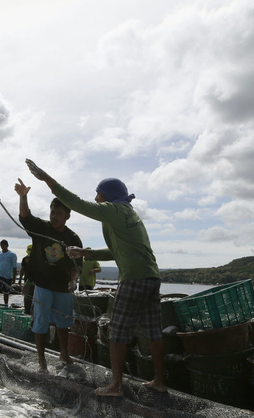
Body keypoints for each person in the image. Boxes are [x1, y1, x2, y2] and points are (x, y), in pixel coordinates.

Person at [25, 159, 165, 397]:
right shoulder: (130, 214)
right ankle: (160, 381)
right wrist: (85, 253)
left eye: (98, 194)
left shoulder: (112, 210)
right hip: (151, 277)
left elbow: (78, 204)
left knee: (117, 333)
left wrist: (47, 180)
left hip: (132, 279)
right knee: (153, 332)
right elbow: (116, 252)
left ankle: (115, 387)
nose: (97, 199)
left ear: (106, 195)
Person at [14, 179, 82, 372]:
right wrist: (23, 197)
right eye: (52, 212)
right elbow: (25, 217)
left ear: (67, 216)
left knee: (63, 323)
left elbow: (77, 266)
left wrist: (73, 281)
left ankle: (64, 354)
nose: (54, 216)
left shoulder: (73, 238)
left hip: (62, 287)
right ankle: (42, 361)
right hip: (42, 285)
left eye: (59, 213)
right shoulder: (41, 228)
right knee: (40, 323)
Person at [0, 240, 18, 306]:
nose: (3, 246)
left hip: (8, 276)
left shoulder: (12, 255)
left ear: (7, 245)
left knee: (6, 292)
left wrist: (14, 278)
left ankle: (6, 305)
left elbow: (15, 267)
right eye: (1, 245)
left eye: (4, 245)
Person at [19, 244, 35, 315]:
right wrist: (20, 279)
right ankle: (27, 310)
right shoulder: (25, 259)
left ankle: (33, 310)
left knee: (35, 296)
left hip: (37, 281)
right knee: (27, 295)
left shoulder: (37, 259)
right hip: (27, 280)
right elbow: (22, 269)